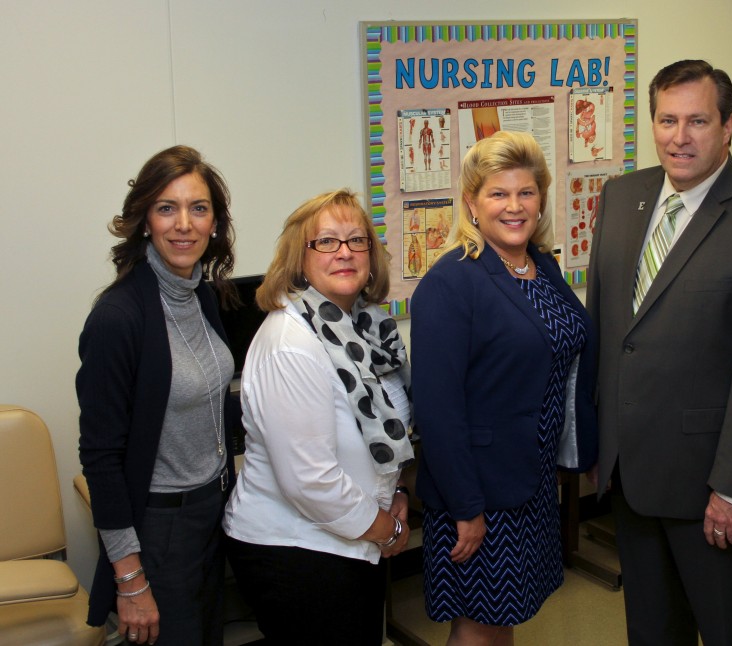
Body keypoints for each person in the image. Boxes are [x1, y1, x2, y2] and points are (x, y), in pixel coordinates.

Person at [586, 59, 732, 645]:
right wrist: (594, 444)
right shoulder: (621, 196)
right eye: (666, 120)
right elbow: (609, 330)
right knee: (653, 633)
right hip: (631, 477)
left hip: (712, 488)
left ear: (728, 126)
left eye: (697, 121)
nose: (679, 137)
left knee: (728, 633)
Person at [411, 130, 598, 645]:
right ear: (471, 203)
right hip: (481, 492)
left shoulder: (542, 266)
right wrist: (467, 508)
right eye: (498, 194)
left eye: (526, 192)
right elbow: (436, 408)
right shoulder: (452, 281)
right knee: (478, 626)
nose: (514, 206)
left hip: (530, 483)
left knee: (500, 618)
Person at [222, 189, 414, 644]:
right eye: (326, 242)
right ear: (298, 259)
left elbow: (392, 429)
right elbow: (310, 479)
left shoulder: (367, 327)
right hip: (298, 550)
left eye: (356, 240)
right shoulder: (292, 343)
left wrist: (397, 491)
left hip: (351, 538)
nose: (344, 252)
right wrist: (387, 530)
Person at [77, 145, 239, 645]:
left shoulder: (204, 294)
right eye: (167, 208)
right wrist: (130, 580)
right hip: (159, 529)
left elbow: (213, 399)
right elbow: (101, 457)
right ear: (145, 219)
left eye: (199, 208)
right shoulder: (118, 317)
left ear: (214, 223)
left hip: (212, 513)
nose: (183, 224)